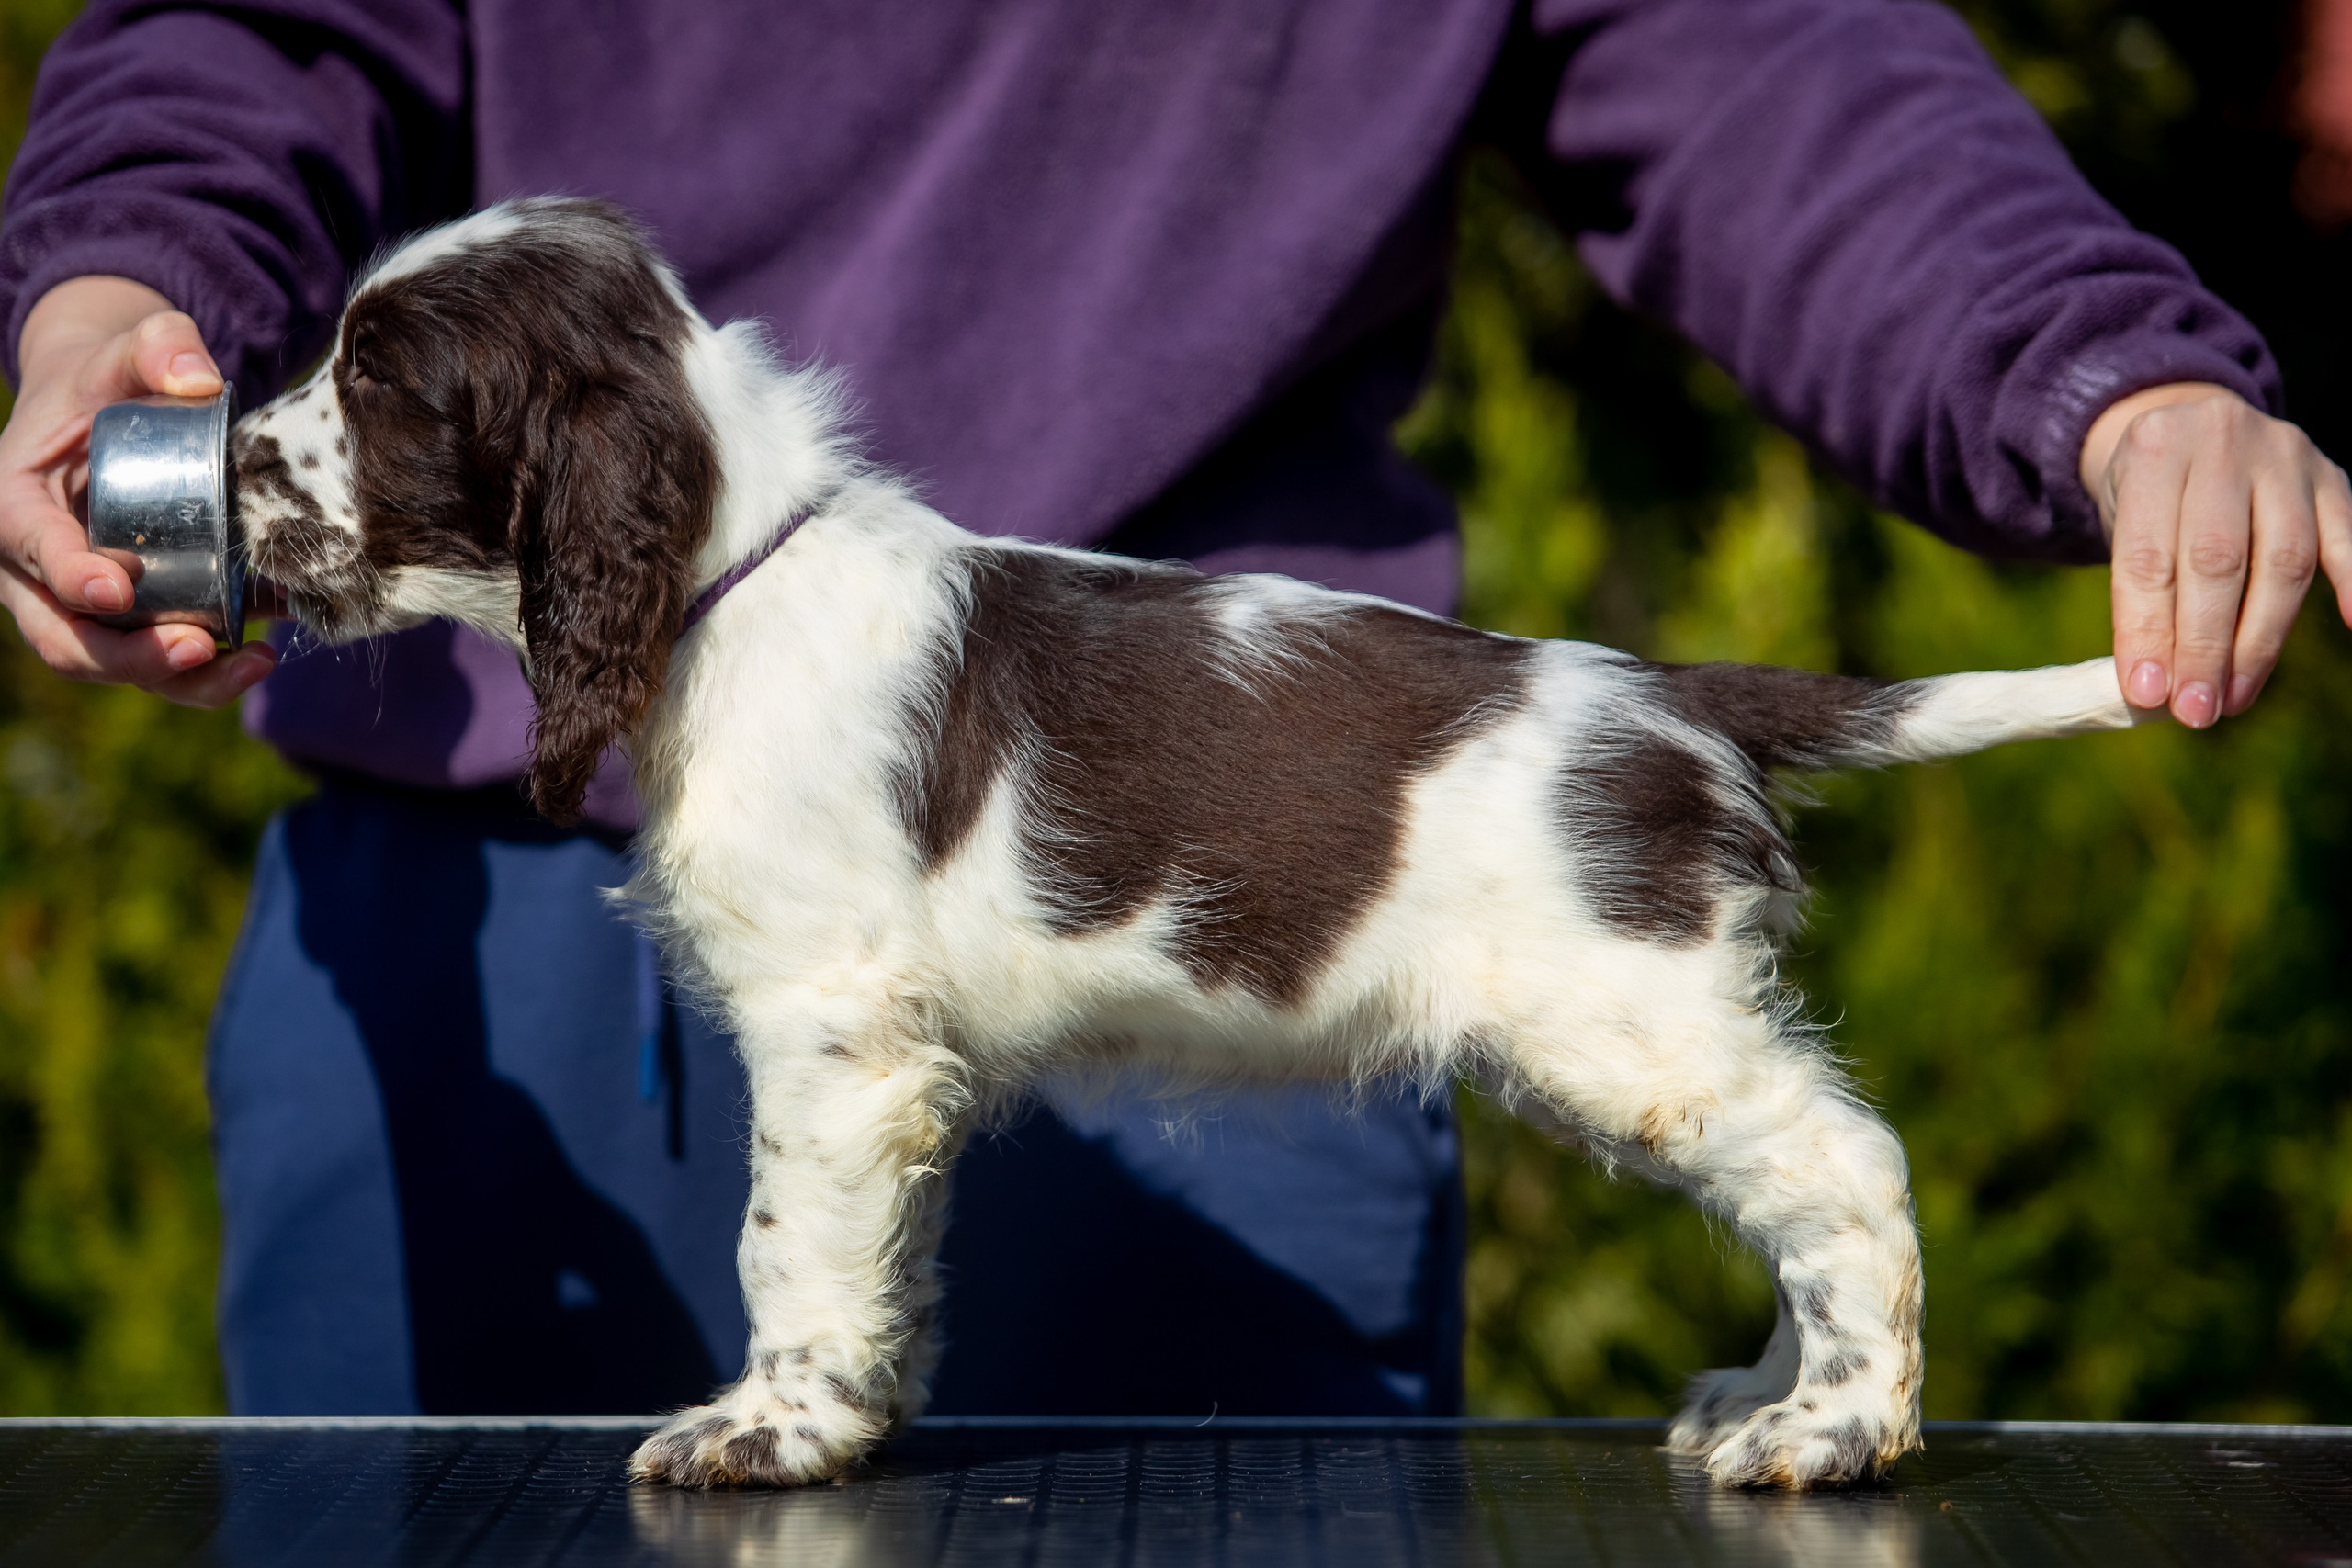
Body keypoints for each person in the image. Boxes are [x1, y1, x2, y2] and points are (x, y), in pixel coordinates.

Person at [2, 0, 2346, 1418]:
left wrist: (2098, 373)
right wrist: (123, 285)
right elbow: (244, 29)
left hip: (1246, 870)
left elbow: (1775, 70)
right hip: (456, 908)